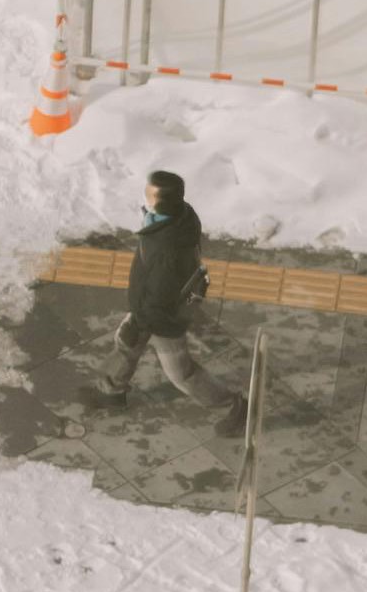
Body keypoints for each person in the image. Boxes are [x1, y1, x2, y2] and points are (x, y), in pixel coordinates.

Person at [85, 170, 248, 430]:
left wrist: (139, 321)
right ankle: (111, 391)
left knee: (181, 373)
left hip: (163, 318)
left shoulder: (167, 250)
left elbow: (160, 299)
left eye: (148, 193)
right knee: (126, 345)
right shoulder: (178, 216)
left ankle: (233, 406)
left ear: (162, 203)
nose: (143, 195)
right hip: (152, 307)